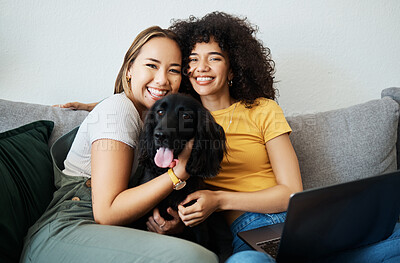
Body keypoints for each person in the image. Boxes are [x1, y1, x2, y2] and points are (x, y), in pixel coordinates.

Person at [20, 26, 218, 263]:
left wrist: (172, 226)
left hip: (104, 235)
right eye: (152, 65)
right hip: (67, 230)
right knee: (197, 259)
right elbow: (108, 213)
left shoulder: (152, 120)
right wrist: (179, 173)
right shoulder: (119, 109)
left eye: (173, 70)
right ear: (129, 69)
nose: (163, 79)